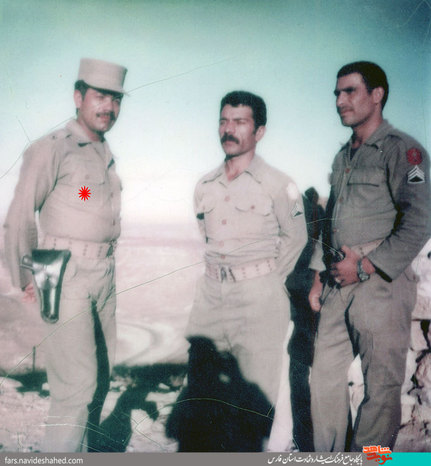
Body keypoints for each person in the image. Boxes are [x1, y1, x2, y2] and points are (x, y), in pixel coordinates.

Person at [3, 58, 127, 452]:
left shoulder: (102, 153)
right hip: (62, 272)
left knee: (100, 378)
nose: (108, 106)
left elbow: (81, 200)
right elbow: (20, 216)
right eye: (100, 96)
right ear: (78, 97)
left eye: (116, 99)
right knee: (75, 387)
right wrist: (27, 278)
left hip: (103, 273)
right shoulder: (52, 148)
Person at [308, 61, 431, 452]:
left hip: (380, 285)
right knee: (323, 381)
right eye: (337, 93)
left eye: (350, 91)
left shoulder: (404, 150)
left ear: (377, 95)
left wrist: (363, 266)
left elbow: (420, 220)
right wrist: (318, 276)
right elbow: (331, 218)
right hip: (336, 283)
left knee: (380, 391)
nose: (340, 101)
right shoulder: (343, 156)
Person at [185, 90, 307, 445]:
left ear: (259, 131)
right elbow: (206, 235)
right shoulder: (204, 185)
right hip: (210, 297)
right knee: (202, 400)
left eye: (240, 122)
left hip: (259, 300)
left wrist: (264, 280)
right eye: (224, 121)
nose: (229, 129)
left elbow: (296, 238)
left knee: (252, 411)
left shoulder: (279, 184)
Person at [286, 187, 324, 451]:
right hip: (310, 290)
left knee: (300, 367)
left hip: (302, 290)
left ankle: (305, 439)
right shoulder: (318, 214)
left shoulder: (299, 215)